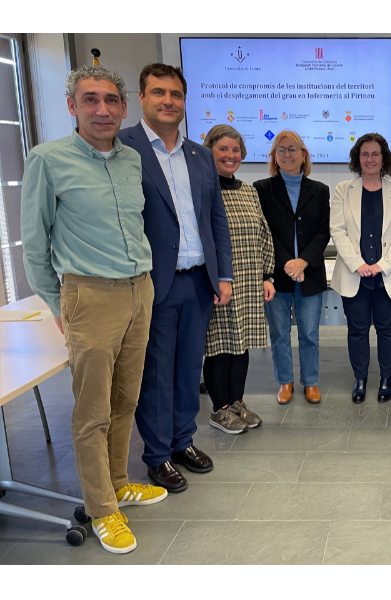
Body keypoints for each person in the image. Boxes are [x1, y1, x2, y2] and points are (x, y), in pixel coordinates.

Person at [21, 65, 167, 555]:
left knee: (126, 399)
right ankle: (103, 508)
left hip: (138, 290)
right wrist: (60, 301)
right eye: (90, 100)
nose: (102, 110)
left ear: (123, 108)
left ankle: (120, 481)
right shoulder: (48, 159)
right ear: (72, 106)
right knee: (91, 411)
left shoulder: (130, 160)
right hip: (90, 295)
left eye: (110, 100)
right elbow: (35, 245)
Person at [118, 64, 233, 494]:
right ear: (142, 98)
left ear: (185, 102)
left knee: (189, 369)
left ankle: (183, 441)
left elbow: (215, 219)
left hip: (198, 282)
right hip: (153, 283)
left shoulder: (200, 155)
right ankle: (157, 455)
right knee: (156, 372)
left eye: (177, 95)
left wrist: (223, 274)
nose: (169, 101)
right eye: (159, 93)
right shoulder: (123, 146)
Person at [201, 125, 276, 434]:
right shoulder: (203, 189)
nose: (230, 156)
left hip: (248, 281)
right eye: (223, 149)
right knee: (219, 346)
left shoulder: (248, 191)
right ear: (209, 151)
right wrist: (216, 279)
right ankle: (219, 410)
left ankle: (236, 403)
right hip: (219, 284)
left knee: (241, 344)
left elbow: (263, 233)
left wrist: (267, 275)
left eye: (235, 150)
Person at [331, 134, 391, 404]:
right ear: (358, 158)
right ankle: (360, 378)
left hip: (386, 275)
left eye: (375, 154)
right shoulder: (344, 190)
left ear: (384, 158)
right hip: (355, 275)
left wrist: (381, 265)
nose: (370, 159)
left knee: (388, 329)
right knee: (357, 329)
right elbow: (338, 230)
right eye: (364, 154)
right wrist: (358, 264)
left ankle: (386, 378)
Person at [254, 132, 330, 406]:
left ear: (304, 154)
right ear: (274, 156)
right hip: (276, 276)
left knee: (309, 333)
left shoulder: (320, 190)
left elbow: (323, 232)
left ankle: (311, 382)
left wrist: (303, 262)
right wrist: (289, 263)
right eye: (281, 150)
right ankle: (285, 381)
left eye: (293, 149)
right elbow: (264, 232)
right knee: (279, 333)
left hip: (310, 274)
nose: (287, 154)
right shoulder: (261, 188)